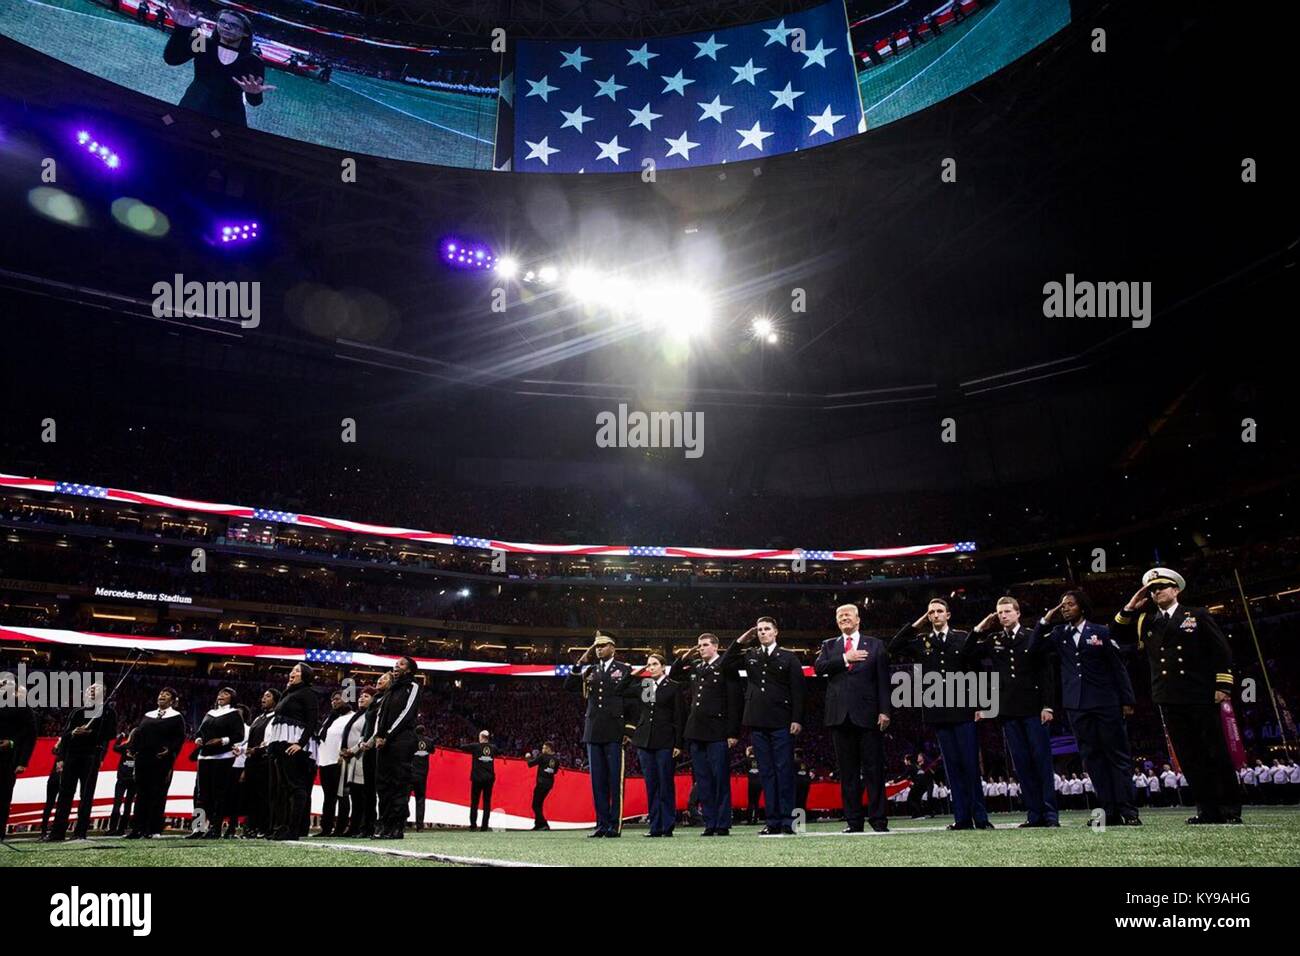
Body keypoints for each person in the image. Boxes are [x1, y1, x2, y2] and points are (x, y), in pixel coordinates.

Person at [1112, 567, 1241, 824]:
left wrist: (1223, 686)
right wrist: (1130, 607)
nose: (1157, 591)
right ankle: (1207, 810)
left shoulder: (1197, 615)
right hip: (1168, 696)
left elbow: (1222, 652)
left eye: (1161, 586)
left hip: (1200, 693)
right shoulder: (1145, 620)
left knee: (1214, 751)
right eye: (1152, 589)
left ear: (1176, 589)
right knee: (1189, 756)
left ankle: (1229, 808)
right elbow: (1114, 635)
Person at [1029, 590, 1140, 826]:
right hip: (1076, 705)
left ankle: (1128, 811)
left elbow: (1117, 667)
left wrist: (1127, 700)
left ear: (1082, 607)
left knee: (1117, 756)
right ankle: (1108, 812)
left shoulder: (1101, 631)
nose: (1065, 608)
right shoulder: (1059, 634)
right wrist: (1045, 621)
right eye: (1062, 605)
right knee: (1092, 759)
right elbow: (1034, 648)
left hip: (1106, 702)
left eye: (1069, 604)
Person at [890, 599, 990, 830]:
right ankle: (962, 819)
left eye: (939, 611)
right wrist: (917, 624)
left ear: (948, 614)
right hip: (938, 711)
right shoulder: (921, 641)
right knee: (952, 768)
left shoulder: (963, 637)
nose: (935, 615)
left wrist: (982, 705)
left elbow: (977, 669)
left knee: (970, 766)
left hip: (964, 709)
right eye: (931, 612)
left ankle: (981, 818)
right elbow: (894, 646)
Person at [970, 596, 1059, 827]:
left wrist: (1047, 705)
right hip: (1009, 711)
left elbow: (1045, 672)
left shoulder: (1032, 636)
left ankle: (1050, 815)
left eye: (1007, 611)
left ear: (1018, 613)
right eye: (1000, 613)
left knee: (1041, 762)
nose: (1003, 616)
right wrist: (980, 628)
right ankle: (1034, 815)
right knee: (1021, 764)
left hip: (1034, 709)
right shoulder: (994, 639)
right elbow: (968, 652)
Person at [722, 617, 806, 835]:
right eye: (759, 630)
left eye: (767, 629)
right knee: (766, 773)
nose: (762, 632)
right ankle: (772, 822)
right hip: (757, 721)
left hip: (782, 721)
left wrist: (797, 719)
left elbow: (798, 691)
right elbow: (725, 662)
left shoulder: (789, 657)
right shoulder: (750, 655)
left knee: (784, 772)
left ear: (776, 632)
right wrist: (741, 640)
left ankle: (789, 822)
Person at [816, 603, 893, 832]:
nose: (843, 618)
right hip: (839, 717)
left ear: (858, 619)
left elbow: (883, 681)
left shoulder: (876, 645)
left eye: (848, 614)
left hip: (869, 716)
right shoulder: (829, 645)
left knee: (874, 771)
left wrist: (885, 710)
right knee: (848, 774)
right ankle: (853, 822)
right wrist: (845, 658)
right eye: (839, 615)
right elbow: (819, 668)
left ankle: (879, 820)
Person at [563, 631, 636, 837]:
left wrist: (629, 729)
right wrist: (578, 665)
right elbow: (568, 687)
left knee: (615, 781)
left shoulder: (624, 670)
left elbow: (633, 702)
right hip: (593, 732)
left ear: (613, 647)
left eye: (603, 645)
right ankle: (601, 824)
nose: (598, 649)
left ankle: (615, 825)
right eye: (596, 646)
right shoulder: (589, 671)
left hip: (615, 732)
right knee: (598, 783)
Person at [671, 633, 741, 837]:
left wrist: (732, 732)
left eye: (704, 645)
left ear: (716, 647)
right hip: (696, 731)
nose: (700, 648)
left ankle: (723, 823)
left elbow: (735, 701)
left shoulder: (726, 666)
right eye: (699, 645)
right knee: (703, 780)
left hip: (718, 730)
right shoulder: (696, 667)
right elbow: (675, 673)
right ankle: (710, 823)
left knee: (720, 778)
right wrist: (685, 656)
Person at [162, 0, 275, 127]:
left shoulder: (254, 61)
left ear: (245, 33)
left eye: (234, 25)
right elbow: (172, 59)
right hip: (193, 107)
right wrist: (181, 30)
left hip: (229, 120)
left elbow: (255, 102)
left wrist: (253, 93)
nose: (226, 27)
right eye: (222, 22)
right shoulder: (202, 42)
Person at [47, 682, 117, 842]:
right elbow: (65, 736)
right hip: (71, 755)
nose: (92, 691)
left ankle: (80, 832)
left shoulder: (108, 713)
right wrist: (61, 757)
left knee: (86, 795)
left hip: (91, 756)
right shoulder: (77, 712)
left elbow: (111, 734)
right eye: (89, 689)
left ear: (104, 694)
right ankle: (57, 833)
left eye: (96, 689)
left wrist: (93, 732)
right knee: (64, 794)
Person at [629, 653, 683, 838]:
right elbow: (622, 689)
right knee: (651, 785)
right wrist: (636, 673)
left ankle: (667, 826)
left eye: (654, 664)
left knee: (665, 784)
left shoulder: (673, 687)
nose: (650, 667)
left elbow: (679, 717)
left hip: (665, 741)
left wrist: (678, 743)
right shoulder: (646, 685)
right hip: (645, 741)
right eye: (648, 665)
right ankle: (655, 826)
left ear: (663, 667)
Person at [266, 663, 320, 841]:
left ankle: (294, 829)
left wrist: (300, 743)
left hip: (295, 744)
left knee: (296, 786)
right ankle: (283, 826)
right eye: (292, 670)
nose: (292, 673)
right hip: (281, 744)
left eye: (297, 671)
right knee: (284, 788)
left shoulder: (308, 693)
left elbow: (313, 721)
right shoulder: (288, 693)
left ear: (305, 675)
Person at [125, 688, 186, 839]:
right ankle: (136, 828)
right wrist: (134, 749)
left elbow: (179, 739)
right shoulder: (148, 715)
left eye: (166, 695)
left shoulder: (177, 717)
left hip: (161, 761)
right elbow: (138, 733)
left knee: (157, 794)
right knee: (140, 794)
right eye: (160, 694)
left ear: (172, 701)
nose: (162, 696)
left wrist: (170, 750)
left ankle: (153, 829)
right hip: (143, 759)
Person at [374, 657, 421, 839]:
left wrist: (387, 735)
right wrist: (379, 735)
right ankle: (384, 825)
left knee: (399, 783)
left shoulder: (413, 687)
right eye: (396, 663)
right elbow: (382, 715)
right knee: (383, 784)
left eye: (401, 664)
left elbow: (406, 714)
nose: (396, 666)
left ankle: (397, 826)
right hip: (384, 742)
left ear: (409, 670)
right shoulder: (390, 691)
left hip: (401, 741)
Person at [190, 686, 244, 839]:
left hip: (223, 756)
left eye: (226, 693)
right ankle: (198, 828)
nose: (221, 695)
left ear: (232, 698)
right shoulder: (210, 713)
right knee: (201, 795)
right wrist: (198, 739)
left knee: (218, 794)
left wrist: (222, 741)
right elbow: (200, 732)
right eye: (220, 693)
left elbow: (239, 735)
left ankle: (215, 828)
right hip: (204, 756)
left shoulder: (234, 714)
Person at [0, 672, 37, 839]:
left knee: (3, 795)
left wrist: (22, 760)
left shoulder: (23, 708)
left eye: (5, 682)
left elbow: (30, 736)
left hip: (8, 758)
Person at [338, 683, 378, 838]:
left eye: (366, 696)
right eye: (361, 695)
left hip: (361, 758)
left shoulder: (370, 714)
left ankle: (363, 826)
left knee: (362, 796)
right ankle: (354, 826)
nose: (361, 698)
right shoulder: (359, 714)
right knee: (354, 795)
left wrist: (352, 751)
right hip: (352, 759)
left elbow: (366, 737)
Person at [240, 688, 278, 839]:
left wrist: (258, 750)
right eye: (263, 696)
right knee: (251, 796)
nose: (263, 698)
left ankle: (264, 827)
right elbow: (250, 742)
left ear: (275, 700)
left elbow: (271, 741)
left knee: (264, 796)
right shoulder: (257, 718)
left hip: (265, 762)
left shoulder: (276, 718)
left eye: (268, 696)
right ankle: (250, 827)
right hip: (252, 763)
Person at [315, 690, 353, 837]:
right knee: (328, 797)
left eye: (337, 699)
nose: (334, 702)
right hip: (325, 762)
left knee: (342, 796)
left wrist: (344, 754)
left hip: (339, 761)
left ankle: (341, 828)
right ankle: (326, 828)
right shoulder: (331, 718)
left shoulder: (351, 717)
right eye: (332, 700)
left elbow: (350, 738)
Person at [464, 730, 498, 831]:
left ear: (482, 737)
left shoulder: (475, 746)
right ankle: (484, 826)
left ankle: (473, 825)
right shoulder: (493, 748)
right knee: (487, 803)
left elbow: (462, 747)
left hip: (477, 778)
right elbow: (500, 752)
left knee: (474, 802)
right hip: (489, 779)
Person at [526, 742, 561, 831]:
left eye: (544, 748)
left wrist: (528, 757)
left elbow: (530, 764)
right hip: (549, 784)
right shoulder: (556, 760)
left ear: (549, 749)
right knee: (539, 804)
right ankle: (538, 825)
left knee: (535, 805)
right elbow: (555, 771)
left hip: (541, 783)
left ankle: (544, 824)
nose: (543, 749)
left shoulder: (542, 757)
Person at [108, 731, 136, 836]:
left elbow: (115, 747)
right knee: (128, 805)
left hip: (122, 778)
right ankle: (122, 829)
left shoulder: (125, 746)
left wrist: (121, 737)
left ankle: (112, 829)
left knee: (117, 803)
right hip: (133, 780)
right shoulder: (141, 748)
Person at [410, 727, 431, 831]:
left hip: (410, 773)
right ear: (424, 731)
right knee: (420, 800)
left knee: (405, 799)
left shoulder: (411, 740)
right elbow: (432, 751)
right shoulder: (429, 741)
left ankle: (401, 823)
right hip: (422, 775)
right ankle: (420, 826)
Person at [743, 747, 761, 824]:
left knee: (751, 801)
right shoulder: (760, 759)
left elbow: (735, 765)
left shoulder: (746, 760)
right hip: (759, 782)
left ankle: (749, 819)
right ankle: (756, 819)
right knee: (756, 802)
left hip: (751, 783)